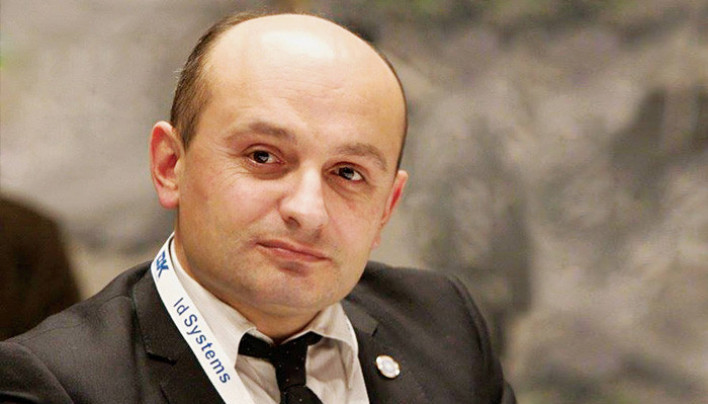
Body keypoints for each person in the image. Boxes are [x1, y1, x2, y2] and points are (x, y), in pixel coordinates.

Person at [0, 12, 516, 403]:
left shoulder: (443, 325)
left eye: (347, 173)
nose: (307, 211)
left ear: (386, 206)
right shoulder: (53, 385)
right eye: (263, 157)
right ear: (170, 166)